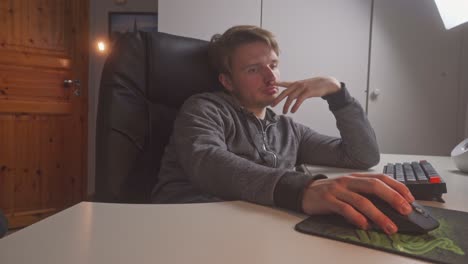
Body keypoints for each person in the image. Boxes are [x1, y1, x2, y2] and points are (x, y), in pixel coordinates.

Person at [151, 25, 414, 235]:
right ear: (227, 81)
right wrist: (299, 189)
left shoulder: (289, 130)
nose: (271, 77)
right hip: (184, 228)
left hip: (254, 229)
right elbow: (206, 161)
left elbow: (361, 156)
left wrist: (336, 93)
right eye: (254, 69)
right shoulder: (203, 108)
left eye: (273, 65)